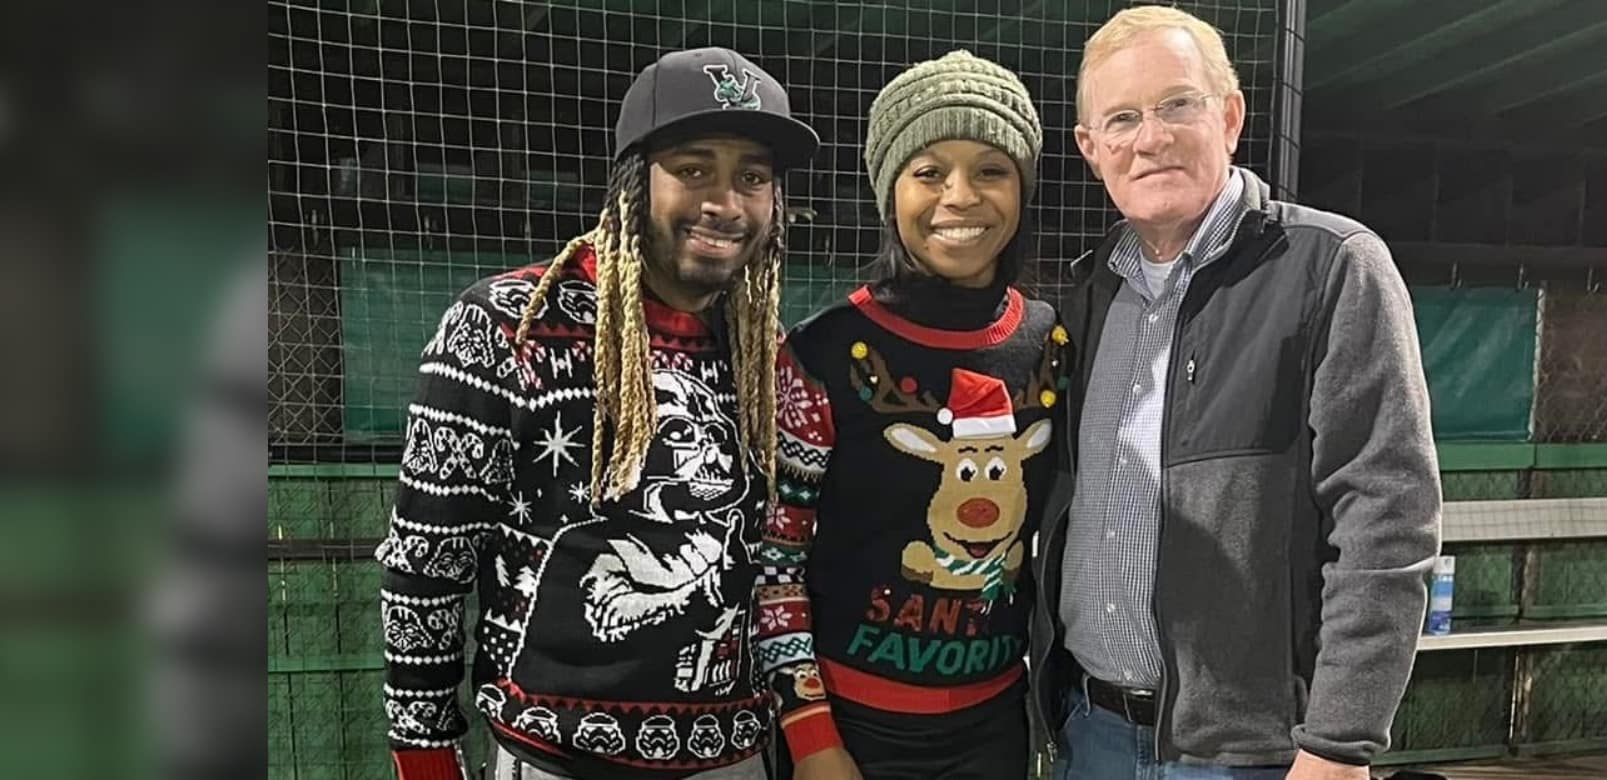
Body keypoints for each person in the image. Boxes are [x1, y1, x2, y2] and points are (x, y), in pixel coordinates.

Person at [377, 47, 818, 780]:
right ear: (633, 182)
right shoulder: (506, 328)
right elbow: (427, 561)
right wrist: (424, 756)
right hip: (559, 759)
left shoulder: (763, 354)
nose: (726, 203)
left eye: (753, 177)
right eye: (693, 168)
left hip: (735, 759)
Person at [1029, 6, 1444, 780]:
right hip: (1092, 735)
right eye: (1121, 118)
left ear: (1229, 115)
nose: (1150, 138)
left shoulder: (1332, 267)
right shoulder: (1085, 299)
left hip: (1259, 757)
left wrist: (1338, 745)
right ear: (1091, 149)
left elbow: (1388, 519)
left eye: (1176, 105)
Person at [759, 50, 1064, 780]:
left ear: (1022, 188)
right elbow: (775, 565)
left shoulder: (1052, 342)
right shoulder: (822, 353)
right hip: (847, 733)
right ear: (889, 189)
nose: (960, 196)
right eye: (929, 172)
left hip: (996, 729)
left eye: (991, 170)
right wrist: (811, 739)